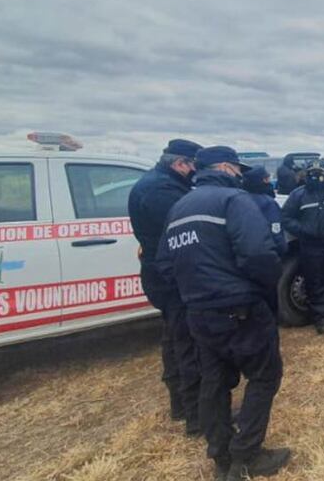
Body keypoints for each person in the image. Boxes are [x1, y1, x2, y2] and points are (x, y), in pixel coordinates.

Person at [155, 146, 289, 481]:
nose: (241, 175)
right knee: (264, 376)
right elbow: (260, 254)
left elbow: (164, 264)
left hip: (198, 312)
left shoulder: (179, 207)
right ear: (227, 168)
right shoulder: (235, 201)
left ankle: (221, 457)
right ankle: (246, 457)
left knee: (214, 383)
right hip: (240, 307)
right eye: (237, 169)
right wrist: (262, 291)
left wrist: (195, 292)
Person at [127, 138, 203, 435]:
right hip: (170, 276)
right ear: (180, 163)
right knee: (187, 341)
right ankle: (195, 414)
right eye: (193, 165)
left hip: (160, 271)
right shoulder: (162, 191)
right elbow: (183, 230)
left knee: (174, 337)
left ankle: (182, 405)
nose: (195, 171)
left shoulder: (155, 183)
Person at [281, 159, 324, 334]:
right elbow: (286, 218)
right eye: (313, 173)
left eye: (321, 173)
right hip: (310, 246)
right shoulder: (298, 195)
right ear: (307, 174)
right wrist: (303, 230)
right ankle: (322, 320)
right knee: (315, 282)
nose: (317, 177)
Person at [243, 166, 288, 257]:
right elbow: (275, 229)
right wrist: (282, 248)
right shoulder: (268, 203)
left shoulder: (240, 199)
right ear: (263, 180)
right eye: (267, 178)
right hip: (265, 251)